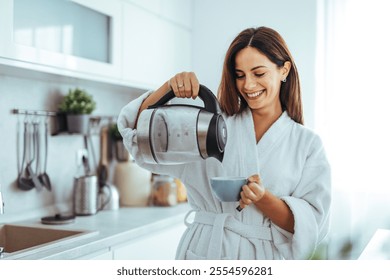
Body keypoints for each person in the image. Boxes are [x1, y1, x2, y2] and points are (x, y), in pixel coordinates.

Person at [118, 26, 331, 260]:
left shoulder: (307, 144)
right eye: (240, 75)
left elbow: (312, 225)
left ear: (284, 70)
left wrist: (262, 198)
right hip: (205, 249)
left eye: (258, 74)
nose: (248, 85)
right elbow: (138, 136)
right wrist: (168, 88)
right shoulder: (209, 128)